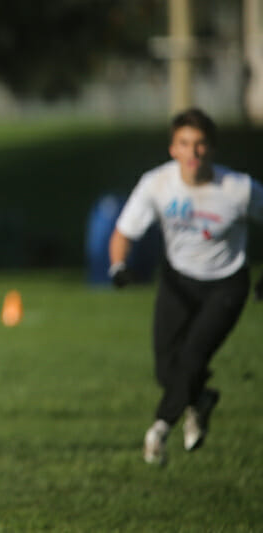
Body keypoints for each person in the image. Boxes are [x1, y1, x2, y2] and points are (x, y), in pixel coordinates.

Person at [109, 108, 263, 465]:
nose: (193, 153)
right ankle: (201, 400)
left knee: (193, 356)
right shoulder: (157, 184)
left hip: (226, 285)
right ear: (172, 149)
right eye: (185, 144)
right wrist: (119, 266)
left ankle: (159, 430)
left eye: (200, 144)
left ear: (212, 149)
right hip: (178, 281)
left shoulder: (237, 189)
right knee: (166, 369)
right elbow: (123, 232)